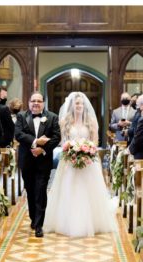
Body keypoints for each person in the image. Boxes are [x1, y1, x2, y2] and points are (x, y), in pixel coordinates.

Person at [42, 92, 117, 238]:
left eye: (81, 103)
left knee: (87, 190)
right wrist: (71, 149)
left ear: (84, 106)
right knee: (69, 189)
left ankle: (92, 222)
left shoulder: (91, 121)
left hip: (88, 161)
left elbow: (95, 142)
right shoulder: (65, 121)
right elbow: (62, 142)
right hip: (69, 160)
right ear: (72, 105)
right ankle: (66, 222)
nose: (79, 106)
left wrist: (87, 150)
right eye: (76, 103)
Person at [15, 92, 61, 238]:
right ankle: (34, 218)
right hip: (26, 160)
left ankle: (39, 225)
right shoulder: (22, 116)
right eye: (33, 101)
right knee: (30, 190)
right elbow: (18, 134)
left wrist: (42, 149)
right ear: (29, 102)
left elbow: (56, 137)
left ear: (43, 103)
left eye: (38, 101)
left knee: (40, 190)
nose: (35, 103)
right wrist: (35, 142)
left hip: (43, 161)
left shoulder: (52, 117)